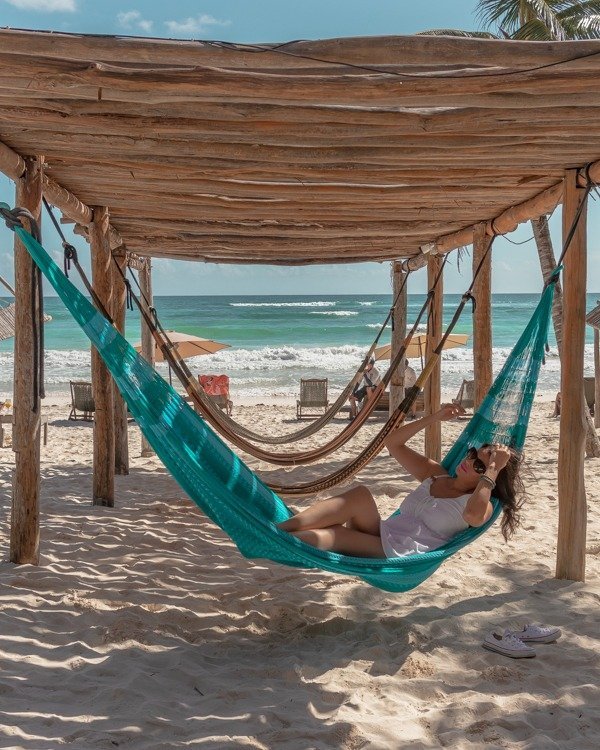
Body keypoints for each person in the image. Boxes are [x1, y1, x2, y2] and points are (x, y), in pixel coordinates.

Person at [278, 403, 524, 558]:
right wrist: (434, 417)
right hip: (384, 533)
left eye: (479, 465)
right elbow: (393, 443)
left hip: (399, 553)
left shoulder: (479, 504)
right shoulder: (436, 475)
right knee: (361, 495)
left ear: (489, 475)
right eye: (472, 455)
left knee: (331, 536)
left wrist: (493, 469)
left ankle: (272, 538)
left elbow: (473, 517)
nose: (468, 462)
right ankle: (277, 530)